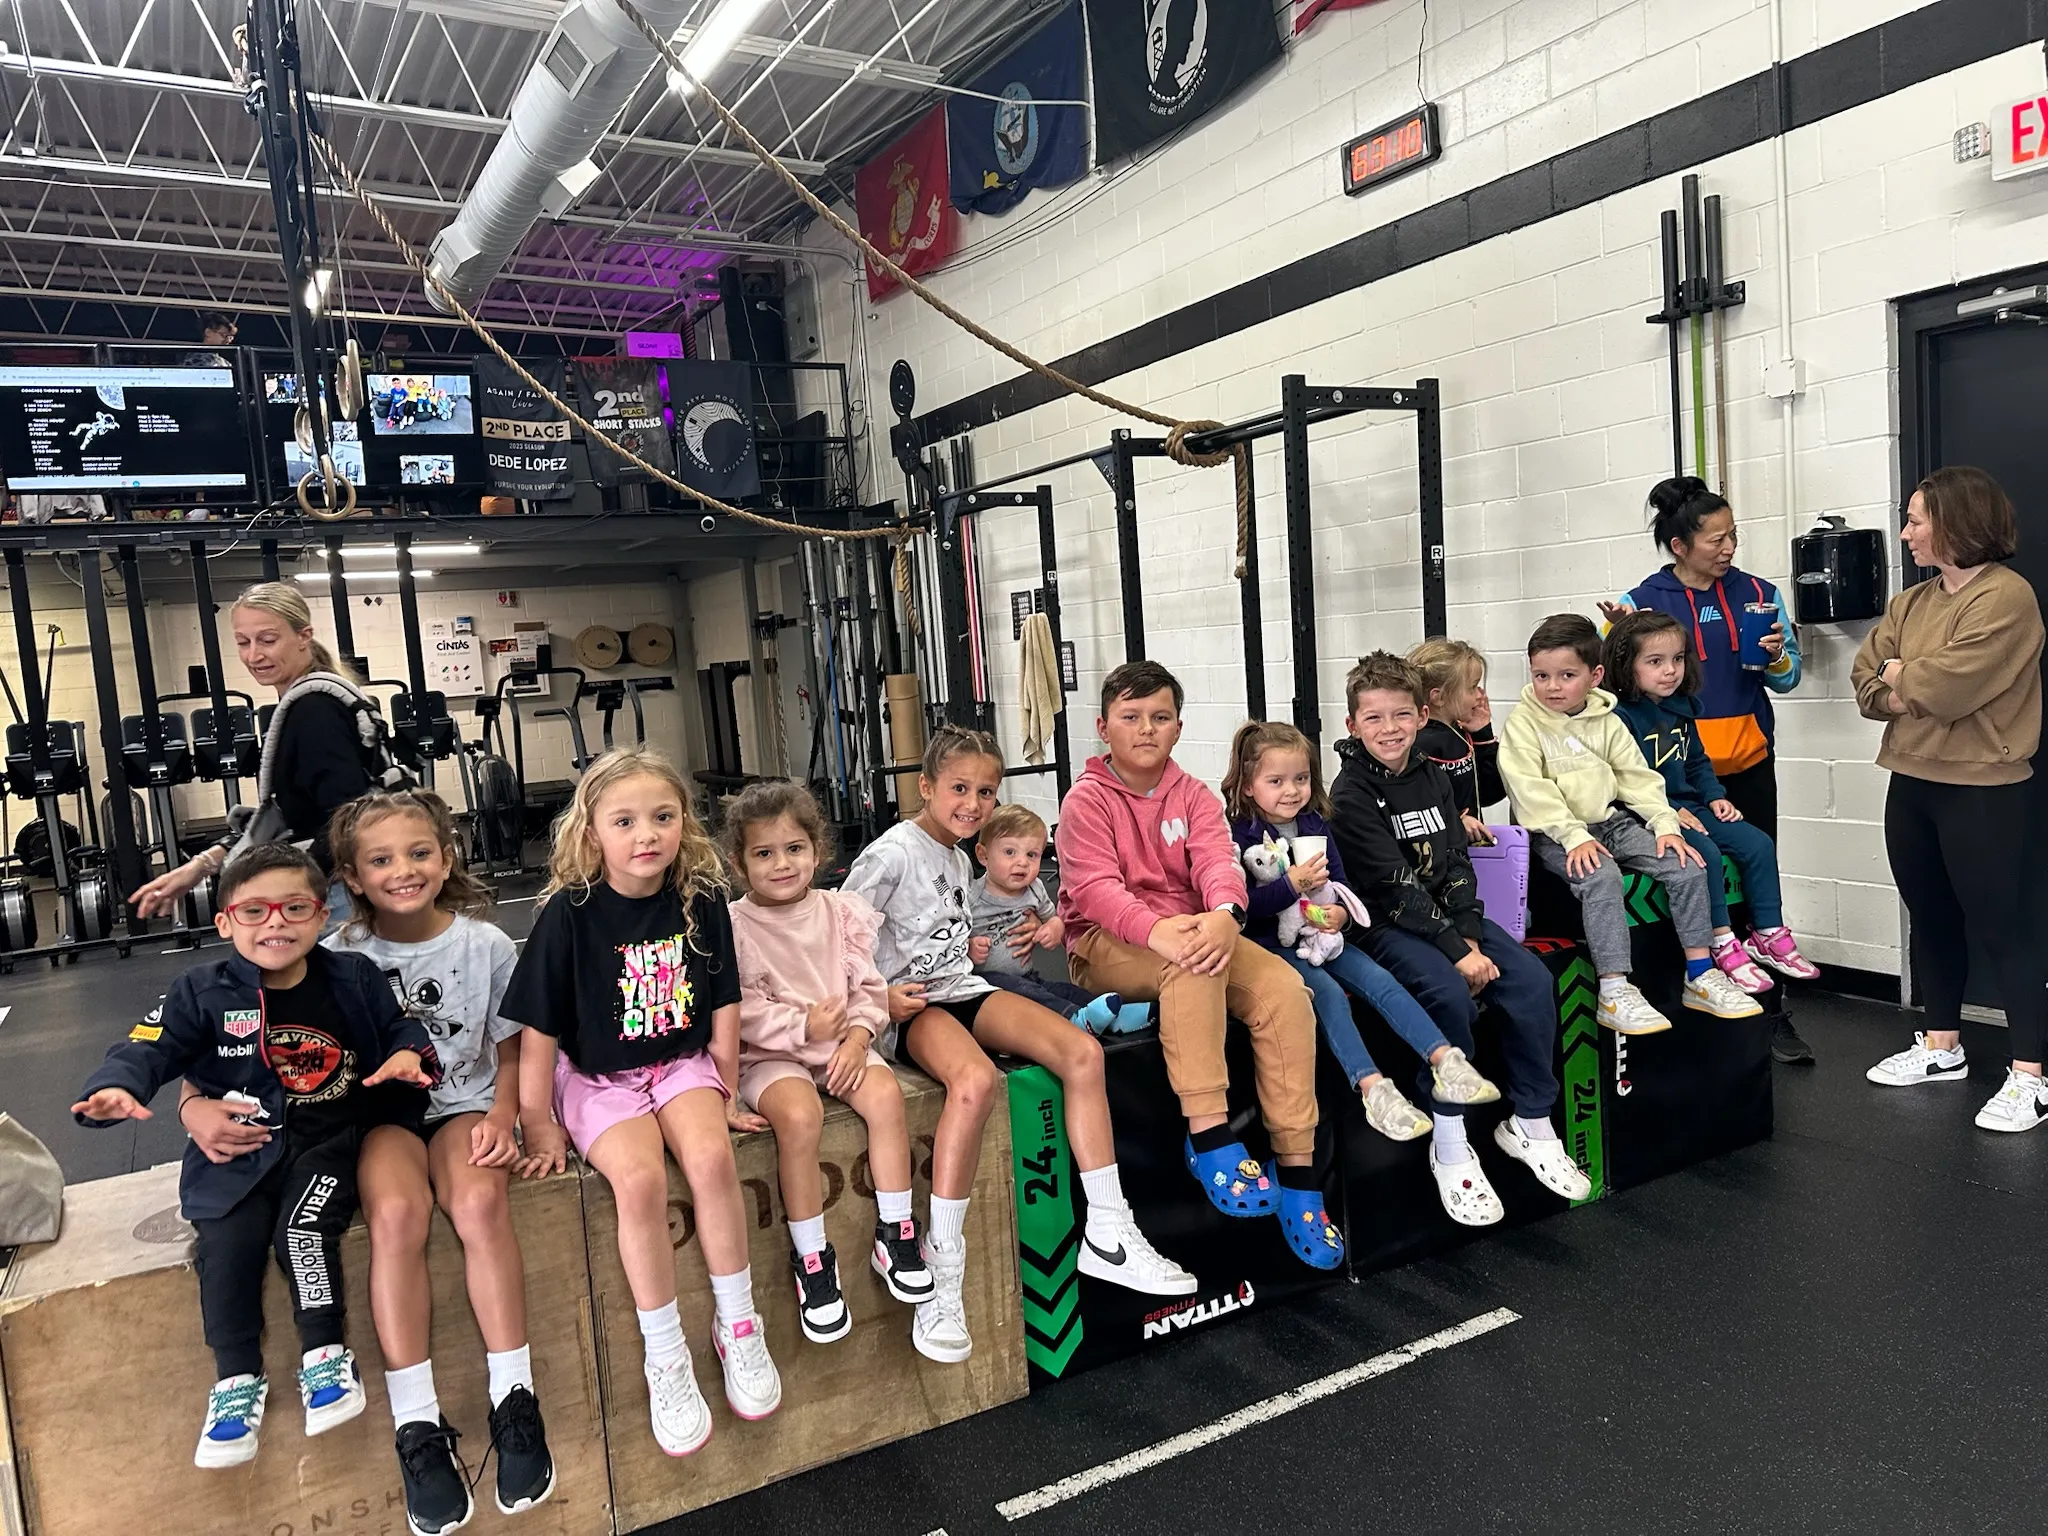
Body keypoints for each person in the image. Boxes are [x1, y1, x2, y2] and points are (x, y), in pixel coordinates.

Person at [69, 842, 436, 1470]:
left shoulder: (352, 978)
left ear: (322, 915)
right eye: (255, 911)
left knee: (303, 1227)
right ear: (225, 922)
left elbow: (400, 1027)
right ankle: (236, 1378)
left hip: (327, 1142)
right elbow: (149, 1044)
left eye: (295, 908)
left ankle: (324, 1354)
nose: (276, 924)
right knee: (226, 1245)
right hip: (237, 1156)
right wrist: (117, 1086)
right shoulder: (202, 991)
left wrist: (408, 1056)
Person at [843, 726, 1195, 1361]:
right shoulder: (892, 854)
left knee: (1082, 1053)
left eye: (985, 791)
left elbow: (953, 942)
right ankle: (941, 1270)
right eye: (958, 788)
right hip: (913, 1004)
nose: (973, 803)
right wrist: (874, 1001)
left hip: (962, 986)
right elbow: (838, 939)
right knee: (974, 1082)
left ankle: (1110, 1232)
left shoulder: (958, 855)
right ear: (924, 787)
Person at [500, 747, 779, 1457]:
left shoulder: (701, 898)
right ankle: (666, 1353)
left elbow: (723, 1003)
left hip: (681, 1064)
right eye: (624, 821)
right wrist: (539, 1121)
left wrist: (723, 1086)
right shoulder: (569, 913)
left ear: (684, 822)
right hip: (598, 1080)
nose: (645, 834)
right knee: (642, 1179)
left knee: (714, 1162)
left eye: (662, 816)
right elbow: (538, 1030)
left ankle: (738, 1324)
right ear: (593, 832)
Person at [1055, 663, 1344, 1272]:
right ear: (1103, 726)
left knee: (1286, 990)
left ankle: (1297, 1170)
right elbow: (1095, 891)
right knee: (1192, 966)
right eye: (1130, 718)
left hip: (1193, 928)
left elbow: (1219, 862)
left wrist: (1224, 915)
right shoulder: (1085, 801)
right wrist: (1165, 932)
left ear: (1179, 727)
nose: (1145, 730)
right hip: (1109, 940)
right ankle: (1209, 1135)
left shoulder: (1193, 794)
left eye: (1160, 718)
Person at [323, 790, 555, 1530]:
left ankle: (514, 1398)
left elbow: (511, 1045)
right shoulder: (337, 956)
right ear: (354, 876)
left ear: (446, 857)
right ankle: (416, 1424)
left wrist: (502, 1115)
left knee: (482, 1203)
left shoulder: (483, 944)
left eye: (420, 852)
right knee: (396, 1214)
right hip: (384, 1118)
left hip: (464, 1105)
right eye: (382, 859)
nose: (404, 870)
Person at [1329, 653, 1592, 1224]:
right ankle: (1448, 1145)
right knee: (1449, 994)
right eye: (1373, 719)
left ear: (1422, 715)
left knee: (1528, 978)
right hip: (1386, 927)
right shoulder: (1349, 795)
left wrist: (1469, 935)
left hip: (1451, 921)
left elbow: (1454, 863)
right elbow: (1394, 887)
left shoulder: (1429, 771)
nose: (1389, 729)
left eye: (1401, 715)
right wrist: (1458, 953)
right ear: (1351, 726)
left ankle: (1532, 1122)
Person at [1855, 467, 2048, 1132]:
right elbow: (1867, 682)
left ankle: (2030, 1075)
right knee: (1930, 918)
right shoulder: (1911, 604)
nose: (1906, 533)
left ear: (1957, 522)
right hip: (1911, 781)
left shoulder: (2006, 597)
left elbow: (1949, 688)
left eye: (1916, 519)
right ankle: (1942, 1048)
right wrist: (1902, 680)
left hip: (1984, 789)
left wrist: (1908, 679)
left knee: (2004, 928)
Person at [720, 780, 937, 1350]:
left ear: (817, 850)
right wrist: (802, 1029)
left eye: (794, 849)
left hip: (841, 1047)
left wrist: (858, 1037)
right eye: (763, 853)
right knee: (799, 1117)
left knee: (886, 1098)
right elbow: (739, 1011)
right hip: (773, 1057)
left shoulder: (840, 912)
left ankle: (897, 1232)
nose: (782, 864)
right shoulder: (736, 926)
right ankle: (812, 1257)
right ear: (740, 865)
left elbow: (869, 987)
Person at [1221, 718, 1499, 1142]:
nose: (1291, 790)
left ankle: (1446, 1060)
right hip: (1272, 945)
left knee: (1380, 981)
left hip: (1324, 936)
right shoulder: (1238, 835)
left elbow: (1344, 885)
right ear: (1247, 786)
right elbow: (1243, 908)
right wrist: (1290, 886)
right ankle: (1373, 1088)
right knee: (1329, 995)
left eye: (1300, 778)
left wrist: (1341, 916)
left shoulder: (1316, 823)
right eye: (1275, 781)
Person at [1498, 614, 1763, 1035]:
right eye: (1541, 676)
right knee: (1602, 878)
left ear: (1594, 675)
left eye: (1566, 675)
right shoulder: (1523, 725)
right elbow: (1531, 792)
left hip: (1611, 823)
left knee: (1687, 864)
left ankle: (1699, 973)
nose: (1552, 686)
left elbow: (1637, 779)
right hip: (1554, 833)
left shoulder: (1607, 720)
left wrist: (1665, 825)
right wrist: (1574, 837)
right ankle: (1614, 988)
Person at [130, 582, 397, 935]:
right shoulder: (304, 703)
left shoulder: (314, 711)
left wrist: (279, 882)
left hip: (339, 900)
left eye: (267, 640)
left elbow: (347, 820)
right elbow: (292, 818)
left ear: (303, 636)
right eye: (243, 642)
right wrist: (202, 864)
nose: (254, 655)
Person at [1603, 611, 1821, 998]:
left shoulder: (1683, 706)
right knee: (1702, 853)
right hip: (1647, 815)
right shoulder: (1618, 717)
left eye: (1677, 659)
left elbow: (1697, 762)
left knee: (1757, 843)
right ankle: (1720, 940)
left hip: (1690, 806)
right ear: (1626, 666)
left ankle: (1767, 933)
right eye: (1655, 662)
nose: (1670, 670)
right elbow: (1623, 784)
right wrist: (1669, 811)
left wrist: (1716, 797)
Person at [1599, 477, 1801, 835]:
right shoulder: (1641, 602)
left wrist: (1777, 656)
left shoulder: (1759, 594)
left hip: (1750, 761)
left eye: (1733, 536)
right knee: (1696, 874)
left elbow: (1787, 681)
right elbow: (1606, 685)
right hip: (1676, 771)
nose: (1729, 548)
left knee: (1756, 862)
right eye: (1716, 540)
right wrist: (1616, 635)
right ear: (1679, 545)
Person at [966, 803, 1137, 1034]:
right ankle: (1073, 1019)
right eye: (1009, 852)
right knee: (1038, 997)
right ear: (983, 855)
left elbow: (1054, 918)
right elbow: (951, 939)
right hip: (988, 985)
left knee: (1063, 991)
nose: (1022, 862)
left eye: (1032, 854)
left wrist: (1054, 928)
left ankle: (1120, 1015)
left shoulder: (1034, 889)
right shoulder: (971, 897)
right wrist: (968, 947)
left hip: (1027, 976)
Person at [1408, 638, 1506, 845]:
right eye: (1472, 688)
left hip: (1465, 848)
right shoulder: (1420, 743)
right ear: (1439, 697)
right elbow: (1413, 803)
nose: (1479, 695)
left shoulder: (1458, 733)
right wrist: (1456, 819)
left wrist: (1483, 736)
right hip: (1438, 855)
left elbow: (1490, 793)